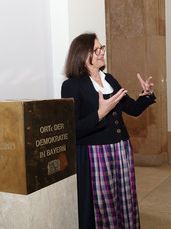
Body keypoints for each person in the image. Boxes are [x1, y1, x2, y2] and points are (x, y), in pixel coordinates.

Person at [61, 33, 155, 229]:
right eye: (96, 50)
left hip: (121, 149)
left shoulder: (109, 78)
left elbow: (132, 109)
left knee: (124, 199)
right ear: (82, 55)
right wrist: (100, 113)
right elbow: (73, 130)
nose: (102, 52)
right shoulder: (71, 85)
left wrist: (146, 96)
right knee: (103, 205)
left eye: (101, 48)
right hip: (95, 154)